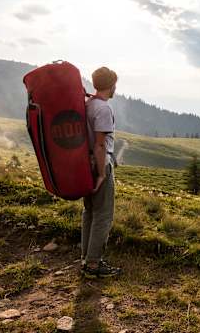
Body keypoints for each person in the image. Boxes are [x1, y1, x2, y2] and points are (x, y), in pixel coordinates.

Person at [81, 66, 122, 278]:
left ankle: (86, 259)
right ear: (111, 84)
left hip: (83, 163)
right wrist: (102, 174)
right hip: (99, 163)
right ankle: (94, 265)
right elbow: (99, 145)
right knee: (103, 214)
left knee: (89, 211)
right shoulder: (103, 109)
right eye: (115, 83)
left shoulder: (88, 103)